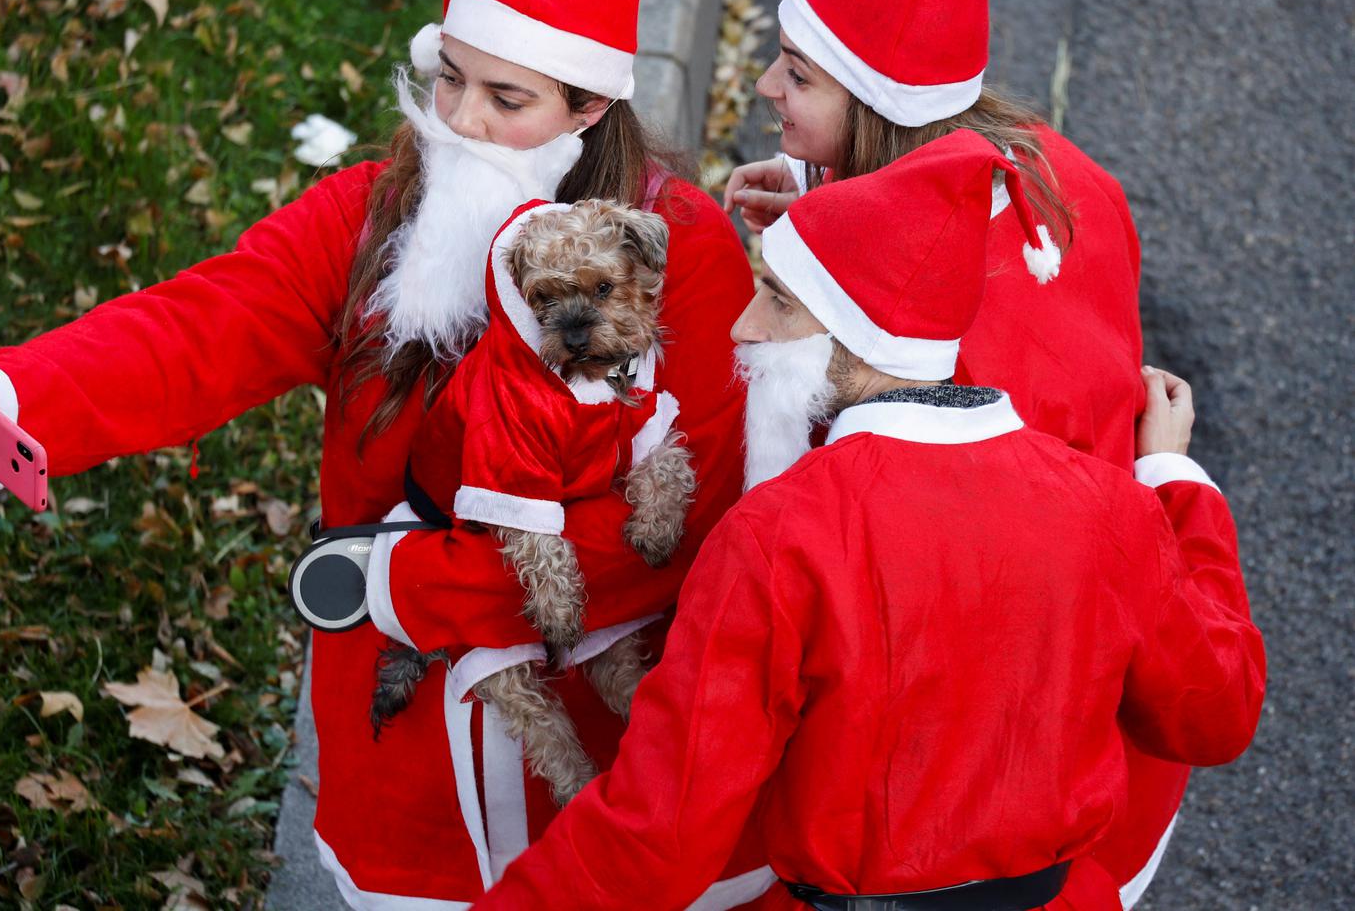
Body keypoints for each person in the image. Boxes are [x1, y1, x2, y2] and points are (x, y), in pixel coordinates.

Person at [0, 0, 758, 907]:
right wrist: (11, 397)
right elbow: (202, 325)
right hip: (405, 767)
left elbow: (693, 507)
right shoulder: (368, 218)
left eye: (506, 98)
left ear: (587, 108)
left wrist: (401, 588)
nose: (461, 121)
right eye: (450, 79)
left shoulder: (681, 249)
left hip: (603, 739)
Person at [472, 130, 1265, 911]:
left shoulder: (776, 537)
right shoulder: (1108, 504)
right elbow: (1217, 714)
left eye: (778, 300)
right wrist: (1172, 480)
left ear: (853, 331)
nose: (743, 326)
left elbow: (655, 835)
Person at [722, 0, 1179, 901]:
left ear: (877, 104)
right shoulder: (1052, 172)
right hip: (1089, 694)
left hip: (972, 779)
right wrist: (821, 212)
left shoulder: (946, 348)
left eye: (796, 75)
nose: (763, 86)